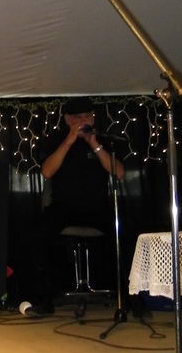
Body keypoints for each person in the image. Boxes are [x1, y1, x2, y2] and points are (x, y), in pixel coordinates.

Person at [25, 97, 125, 315]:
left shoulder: (103, 140)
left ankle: (128, 298)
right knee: (38, 235)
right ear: (68, 119)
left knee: (126, 232)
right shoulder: (56, 139)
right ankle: (44, 300)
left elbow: (118, 173)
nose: (83, 121)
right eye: (77, 117)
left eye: (87, 116)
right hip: (64, 207)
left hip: (96, 207)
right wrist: (69, 141)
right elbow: (47, 172)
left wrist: (94, 145)